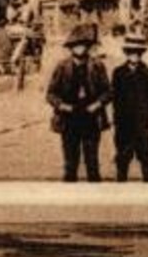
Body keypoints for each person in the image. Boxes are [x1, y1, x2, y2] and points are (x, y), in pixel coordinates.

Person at [45, 22, 111, 182]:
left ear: (88, 47)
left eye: (83, 45)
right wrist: (62, 105)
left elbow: (108, 91)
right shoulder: (62, 67)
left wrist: (98, 104)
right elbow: (51, 94)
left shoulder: (97, 66)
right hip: (69, 119)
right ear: (71, 47)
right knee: (70, 163)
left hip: (91, 117)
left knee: (92, 162)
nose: (79, 48)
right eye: (76, 45)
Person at [111, 31, 148, 182]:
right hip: (124, 123)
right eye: (130, 52)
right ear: (126, 53)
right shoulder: (118, 73)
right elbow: (114, 95)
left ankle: (147, 182)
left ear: (142, 54)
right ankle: (121, 185)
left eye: (137, 52)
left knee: (146, 154)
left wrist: (144, 105)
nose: (134, 55)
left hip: (144, 122)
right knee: (123, 155)